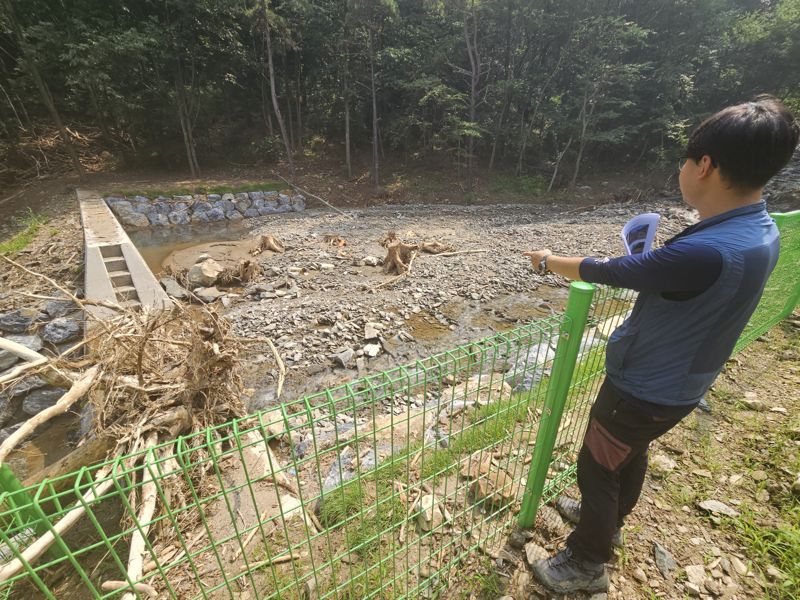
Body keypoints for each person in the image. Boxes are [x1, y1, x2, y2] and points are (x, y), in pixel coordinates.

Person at [522, 96, 799, 594]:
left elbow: (612, 271)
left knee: (597, 464)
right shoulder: (761, 230)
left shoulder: (705, 250)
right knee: (627, 454)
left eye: (686, 160)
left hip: (645, 384)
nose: (683, 169)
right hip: (685, 382)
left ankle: (587, 563)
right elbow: (677, 278)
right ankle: (603, 523)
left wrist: (546, 260)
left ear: (706, 166)